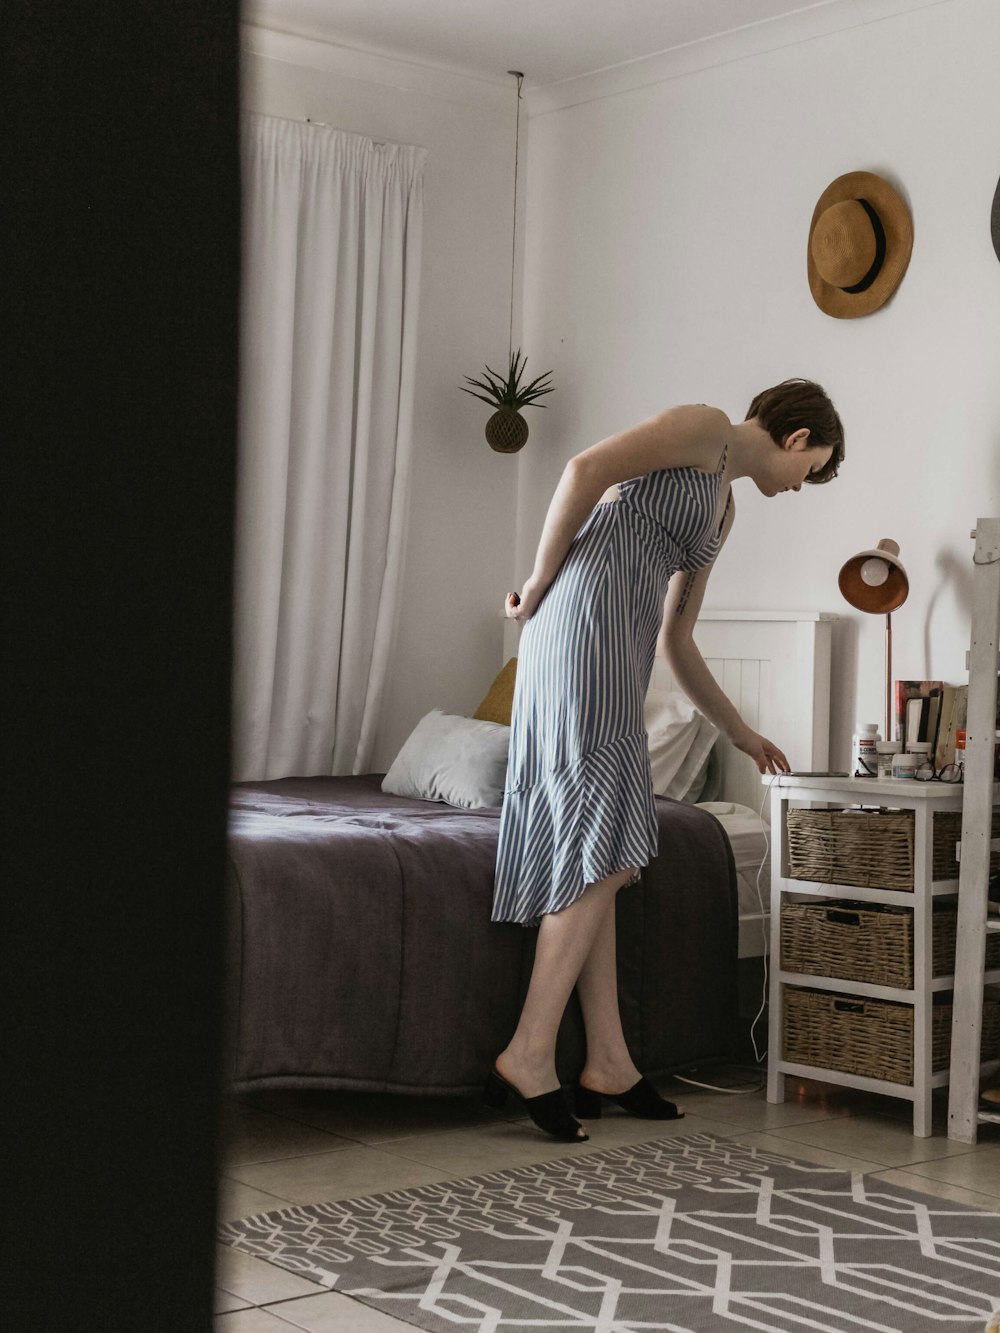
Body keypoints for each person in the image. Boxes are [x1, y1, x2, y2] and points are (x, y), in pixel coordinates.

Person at [483, 379, 844, 1142]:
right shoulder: (705, 429)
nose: (801, 486)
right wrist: (542, 580)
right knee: (608, 843)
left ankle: (609, 1061)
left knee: (605, 845)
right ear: (798, 437)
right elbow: (583, 470)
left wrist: (741, 730)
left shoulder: (725, 505)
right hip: (579, 621)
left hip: (622, 645)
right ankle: (529, 1047)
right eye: (812, 469)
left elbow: (677, 640)